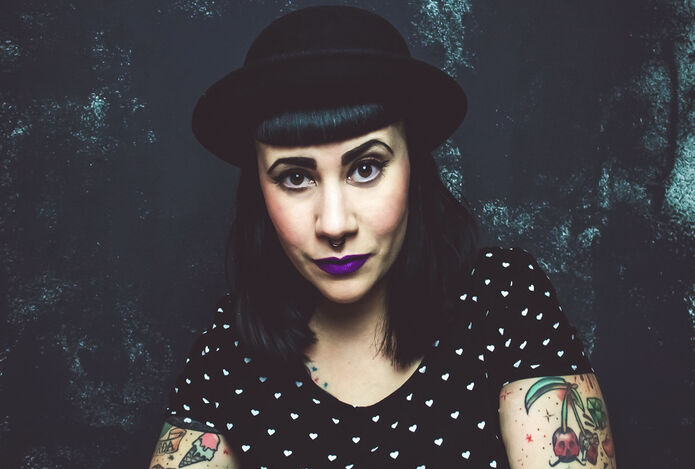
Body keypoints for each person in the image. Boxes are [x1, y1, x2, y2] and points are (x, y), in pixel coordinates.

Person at [148, 6, 617, 469]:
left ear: (413, 167)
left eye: (366, 168)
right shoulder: (230, 349)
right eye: (295, 177)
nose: (334, 224)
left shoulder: (503, 299)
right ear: (259, 190)